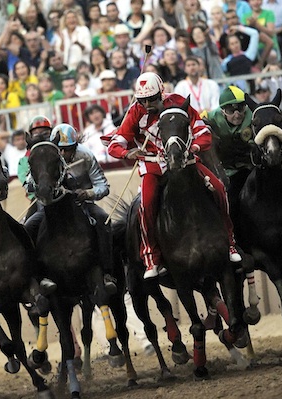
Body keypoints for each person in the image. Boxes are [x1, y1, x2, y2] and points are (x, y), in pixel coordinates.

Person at [106, 72, 242, 279]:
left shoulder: (178, 102)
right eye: (143, 100)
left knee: (220, 188)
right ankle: (151, 255)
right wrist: (127, 153)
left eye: (152, 99)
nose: (148, 104)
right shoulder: (134, 112)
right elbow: (116, 144)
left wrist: (195, 147)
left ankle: (230, 242)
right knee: (146, 204)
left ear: (161, 93)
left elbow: (202, 131)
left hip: (185, 160)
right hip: (153, 165)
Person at [24, 123, 116, 292]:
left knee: (103, 219)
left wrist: (88, 194)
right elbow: (29, 183)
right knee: (28, 227)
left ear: (76, 146)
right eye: (60, 150)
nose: (64, 154)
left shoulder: (86, 156)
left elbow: (103, 186)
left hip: (83, 204)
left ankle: (106, 272)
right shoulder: (47, 154)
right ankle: (37, 277)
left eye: (68, 149)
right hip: (51, 206)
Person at [203, 85, 256, 220]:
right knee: (230, 201)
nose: (237, 114)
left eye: (240, 108)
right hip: (228, 171)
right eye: (231, 110)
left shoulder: (254, 113)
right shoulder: (209, 117)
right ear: (222, 111)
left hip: (252, 166)